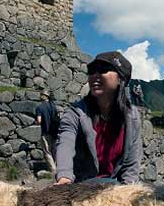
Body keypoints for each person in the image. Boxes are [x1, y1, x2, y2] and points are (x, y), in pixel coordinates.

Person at [55, 51, 142, 185]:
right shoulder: (76, 113)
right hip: (80, 187)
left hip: (113, 190)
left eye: (103, 70)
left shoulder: (132, 117)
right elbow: (66, 141)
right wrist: (64, 176)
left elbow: (131, 164)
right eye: (92, 71)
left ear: (120, 79)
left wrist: (127, 192)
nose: (95, 75)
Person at [35, 91, 59, 173]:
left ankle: (53, 170)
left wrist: (36, 122)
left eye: (41, 94)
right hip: (55, 132)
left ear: (45, 96)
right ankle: (58, 168)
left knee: (47, 151)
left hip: (46, 132)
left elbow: (39, 121)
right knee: (54, 150)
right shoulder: (53, 106)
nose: (40, 95)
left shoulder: (40, 107)